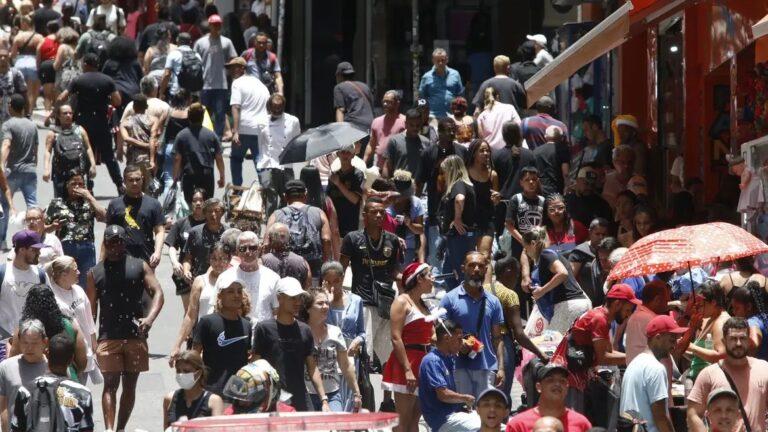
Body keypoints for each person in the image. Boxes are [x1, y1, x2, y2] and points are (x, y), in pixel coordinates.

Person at [85, 225, 164, 432]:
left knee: (130, 386)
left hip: (135, 336)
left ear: (124, 242)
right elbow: (91, 310)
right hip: (108, 337)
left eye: (119, 241)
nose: (115, 246)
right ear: (105, 243)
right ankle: (109, 429)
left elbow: (158, 292)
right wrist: (91, 339)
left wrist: (149, 319)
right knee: (110, 384)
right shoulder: (95, 273)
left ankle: (120, 428)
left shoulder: (139, 266)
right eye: (111, 242)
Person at [252, 277, 330, 412]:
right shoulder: (264, 329)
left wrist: (324, 399)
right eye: (292, 298)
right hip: (272, 402)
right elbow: (255, 366)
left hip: (301, 400)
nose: (297, 302)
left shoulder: (305, 330)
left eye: (299, 298)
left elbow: (312, 368)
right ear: (279, 298)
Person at [340, 197, 402, 366]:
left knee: (388, 354)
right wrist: (337, 296)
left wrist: (407, 280)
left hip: (385, 303)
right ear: (364, 215)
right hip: (363, 302)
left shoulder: (393, 240)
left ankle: (388, 384)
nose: (379, 215)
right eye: (374, 212)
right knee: (363, 351)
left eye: (382, 212)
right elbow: (341, 269)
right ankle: (360, 382)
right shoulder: (352, 238)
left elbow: (394, 270)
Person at [565, 284, 640, 412]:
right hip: (571, 375)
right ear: (617, 304)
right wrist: (634, 358)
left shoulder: (603, 316)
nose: (628, 315)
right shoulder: (600, 319)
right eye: (627, 310)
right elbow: (603, 358)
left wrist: (635, 356)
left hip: (579, 371)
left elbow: (609, 352)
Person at [439, 252, 504, 399]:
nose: (476, 269)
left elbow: (497, 338)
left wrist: (501, 368)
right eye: (471, 265)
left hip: (486, 367)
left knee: (484, 409)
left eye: (480, 266)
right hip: (457, 367)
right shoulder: (449, 299)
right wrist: (457, 344)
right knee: (462, 409)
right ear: (463, 268)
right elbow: (439, 332)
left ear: (486, 269)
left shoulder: (493, 302)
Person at [687, 317, 768, 432]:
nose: (738, 343)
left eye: (743, 338)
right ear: (724, 341)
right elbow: (693, 413)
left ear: (748, 340)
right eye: (733, 339)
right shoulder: (709, 374)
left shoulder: (764, 369)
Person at [58, 53, 123, 194]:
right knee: (108, 156)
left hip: (83, 123)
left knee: (85, 154)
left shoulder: (78, 80)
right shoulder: (107, 80)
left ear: (85, 64)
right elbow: (117, 101)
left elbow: (62, 97)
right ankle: (119, 184)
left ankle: (88, 185)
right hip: (101, 122)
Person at [383, 262, 435, 430]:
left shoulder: (425, 304)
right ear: (419, 279)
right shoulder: (401, 302)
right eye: (429, 275)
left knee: (415, 419)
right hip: (407, 363)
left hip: (423, 364)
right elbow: (396, 338)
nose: (433, 279)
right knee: (403, 420)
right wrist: (407, 369)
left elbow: (432, 337)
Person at [489, 252, 548, 395]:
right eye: (517, 274)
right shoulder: (509, 295)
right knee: (502, 394)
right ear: (508, 271)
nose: (517, 278)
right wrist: (540, 354)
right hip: (502, 344)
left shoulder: (484, 289)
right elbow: (519, 334)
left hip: (483, 344)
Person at [10, 333, 94, 432]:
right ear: (71, 359)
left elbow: (16, 428)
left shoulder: (25, 390)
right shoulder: (83, 394)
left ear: (47, 354)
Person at [620, 315, 687, 432]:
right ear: (658, 338)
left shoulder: (634, 363)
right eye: (671, 340)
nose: (674, 346)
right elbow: (660, 418)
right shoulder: (656, 369)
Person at [416, 118, 466, 271]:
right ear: (440, 132)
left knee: (457, 253)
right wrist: (416, 204)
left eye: (453, 130)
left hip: (458, 210)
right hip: (435, 210)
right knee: (436, 252)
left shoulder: (462, 151)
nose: (452, 133)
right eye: (448, 130)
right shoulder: (429, 153)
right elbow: (420, 181)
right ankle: (437, 280)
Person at [299, 288, 361, 412]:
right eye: (320, 303)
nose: (325, 306)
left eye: (327, 303)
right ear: (308, 308)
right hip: (306, 395)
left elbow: (345, 365)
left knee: (336, 423)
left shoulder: (335, 332)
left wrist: (356, 393)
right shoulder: (300, 332)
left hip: (332, 394)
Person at [9, 284, 88, 380]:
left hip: (31, 383)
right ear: (53, 301)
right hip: (66, 381)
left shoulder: (23, 329)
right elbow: (82, 363)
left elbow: (12, 360)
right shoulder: (71, 326)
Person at [521, 226, 590, 334]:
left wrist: (542, 290)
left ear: (533, 243)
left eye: (525, 247)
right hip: (579, 303)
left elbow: (562, 273)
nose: (526, 251)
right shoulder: (549, 255)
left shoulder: (546, 254)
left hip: (569, 305)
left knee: (551, 342)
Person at [169, 243, 230, 365]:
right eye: (214, 258)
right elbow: (190, 316)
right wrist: (177, 345)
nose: (218, 263)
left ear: (229, 259)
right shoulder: (200, 281)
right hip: (204, 339)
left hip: (228, 338)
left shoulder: (234, 281)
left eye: (222, 258)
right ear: (209, 259)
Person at [192, 270, 252, 395]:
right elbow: (194, 357)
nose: (236, 295)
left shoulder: (247, 325)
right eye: (230, 291)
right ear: (220, 296)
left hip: (239, 394)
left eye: (239, 291)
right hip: (211, 392)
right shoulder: (207, 322)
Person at [418, 319, 480, 432]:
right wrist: (465, 398)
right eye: (459, 339)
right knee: (488, 427)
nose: (462, 343)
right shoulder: (432, 361)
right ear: (447, 338)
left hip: (453, 415)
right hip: (442, 419)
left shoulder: (448, 358)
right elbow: (443, 395)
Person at [45, 171, 105, 287]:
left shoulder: (89, 202)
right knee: (65, 282)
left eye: (80, 184)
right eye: (73, 184)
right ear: (66, 185)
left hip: (86, 247)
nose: (77, 187)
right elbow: (43, 229)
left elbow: (104, 216)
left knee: (87, 283)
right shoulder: (57, 203)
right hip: (66, 247)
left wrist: (90, 197)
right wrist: (52, 227)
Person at [322, 261, 366, 411]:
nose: (333, 286)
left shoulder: (356, 300)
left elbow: (362, 332)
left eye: (336, 281)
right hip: (328, 359)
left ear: (342, 278)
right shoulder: (320, 303)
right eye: (328, 282)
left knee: (349, 400)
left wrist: (357, 341)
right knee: (332, 401)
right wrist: (326, 302)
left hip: (350, 357)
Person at [265, 179, 332, 278]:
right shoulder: (319, 212)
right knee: (312, 288)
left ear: (285, 196)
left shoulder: (275, 215)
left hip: (283, 268)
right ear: (306, 194)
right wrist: (326, 264)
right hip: (313, 267)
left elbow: (266, 244)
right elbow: (326, 239)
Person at [47, 256, 98, 383]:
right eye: (75, 270)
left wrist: (93, 340)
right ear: (64, 274)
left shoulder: (79, 290)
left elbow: (89, 317)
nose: (79, 272)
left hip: (86, 350)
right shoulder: (52, 296)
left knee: (82, 388)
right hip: (69, 354)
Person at [106, 165, 165, 266]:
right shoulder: (115, 204)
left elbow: (160, 231)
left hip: (146, 258)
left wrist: (157, 252)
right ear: (124, 181)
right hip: (120, 259)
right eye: (131, 180)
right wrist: (103, 261)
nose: (134, 183)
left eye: (137, 179)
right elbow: (108, 234)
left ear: (142, 179)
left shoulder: (154, 204)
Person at [506, 363, 592, 432]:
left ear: (567, 387)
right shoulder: (518, 424)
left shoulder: (582, 424)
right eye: (550, 380)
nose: (557, 384)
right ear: (538, 387)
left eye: (562, 381)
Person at [0, 94, 38, 246]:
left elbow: (6, 144)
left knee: (4, 205)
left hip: (13, 171)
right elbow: (36, 149)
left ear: (11, 106)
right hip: (30, 170)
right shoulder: (32, 125)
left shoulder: (8, 125)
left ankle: (2, 240)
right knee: (32, 205)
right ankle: (35, 237)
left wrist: (1, 163)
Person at [219, 231, 280, 324]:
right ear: (237, 251)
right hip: (233, 331)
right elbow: (217, 307)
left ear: (259, 249)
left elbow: (277, 311)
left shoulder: (273, 278)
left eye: (252, 248)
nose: (248, 252)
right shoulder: (225, 277)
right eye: (243, 248)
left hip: (263, 331)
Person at [0, 230, 48, 345]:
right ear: (21, 250)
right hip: (4, 343)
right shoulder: (2, 273)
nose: (39, 253)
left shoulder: (41, 275)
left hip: (32, 343)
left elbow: (47, 308)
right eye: (34, 250)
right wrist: (6, 339)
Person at [0, 319, 48, 432]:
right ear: (19, 341)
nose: (29, 348)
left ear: (44, 342)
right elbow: (3, 409)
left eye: (34, 343)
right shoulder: (6, 367)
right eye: (25, 342)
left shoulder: (55, 369)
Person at [194, 14, 237, 137]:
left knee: (220, 114)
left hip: (221, 84)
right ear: (209, 25)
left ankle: (217, 139)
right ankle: (203, 137)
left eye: (218, 24)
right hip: (205, 84)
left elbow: (233, 59)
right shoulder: (200, 42)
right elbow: (194, 61)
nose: (216, 27)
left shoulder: (227, 42)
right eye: (214, 25)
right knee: (203, 114)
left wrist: (231, 75)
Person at [229, 56, 270, 186]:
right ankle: (266, 188)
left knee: (236, 159)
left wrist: (235, 131)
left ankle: (237, 189)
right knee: (260, 161)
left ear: (243, 68)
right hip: (261, 128)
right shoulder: (259, 84)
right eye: (230, 68)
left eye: (234, 67)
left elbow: (236, 106)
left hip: (244, 128)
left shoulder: (237, 83)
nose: (231, 71)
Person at [173, 101, 225, 202]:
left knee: (190, 203)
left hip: (189, 175)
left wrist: (175, 177)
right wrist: (222, 176)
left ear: (188, 117)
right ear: (202, 117)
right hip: (207, 175)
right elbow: (219, 158)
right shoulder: (211, 135)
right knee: (206, 203)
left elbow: (177, 158)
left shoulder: (181, 135)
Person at [438, 155, 477, 289]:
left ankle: (463, 297)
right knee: (448, 272)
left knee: (461, 272)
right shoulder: (466, 184)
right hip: (458, 236)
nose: (444, 175)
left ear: (451, 170)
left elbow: (460, 199)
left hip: (460, 236)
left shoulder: (458, 184)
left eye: (445, 171)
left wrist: (457, 218)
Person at [255, 93, 300, 209]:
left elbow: (296, 142)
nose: (277, 110)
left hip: (286, 164)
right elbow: (260, 145)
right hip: (267, 165)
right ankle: (270, 218)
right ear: (269, 107)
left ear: (283, 106)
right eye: (274, 107)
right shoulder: (261, 122)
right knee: (270, 199)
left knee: (288, 197)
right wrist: (261, 165)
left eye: (279, 107)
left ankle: (283, 218)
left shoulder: (293, 121)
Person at [43, 104, 97, 198]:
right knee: (61, 201)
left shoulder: (80, 130)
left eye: (70, 113)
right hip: (60, 174)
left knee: (83, 199)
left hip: (79, 173)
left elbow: (88, 148)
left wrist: (93, 165)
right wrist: (46, 169)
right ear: (58, 116)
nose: (68, 115)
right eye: (65, 113)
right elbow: (48, 151)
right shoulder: (53, 133)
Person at [165, 188, 206, 308]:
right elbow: (172, 246)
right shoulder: (181, 223)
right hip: (185, 274)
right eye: (195, 200)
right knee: (190, 310)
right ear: (190, 203)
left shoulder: (211, 224)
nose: (198, 203)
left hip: (206, 273)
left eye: (201, 200)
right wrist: (175, 262)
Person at [163, 349, 224, 429]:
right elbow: (166, 428)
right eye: (178, 371)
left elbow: (218, 429)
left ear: (199, 373)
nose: (181, 374)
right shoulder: (169, 399)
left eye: (186, 371)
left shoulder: (214, 401)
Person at [685, 280, 730, 388]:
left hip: (710, 384)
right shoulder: (709, 319)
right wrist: (683, 348)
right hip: (698, 380)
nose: (698, 309)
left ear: (713, 302)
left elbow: (720, 357)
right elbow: (699, 358)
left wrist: (692, 347)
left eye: (701, 305)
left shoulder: (721, 322)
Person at [466, 139, 500, 259]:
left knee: (485, 256)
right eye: (481, 151)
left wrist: (496, 199)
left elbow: (495, 201)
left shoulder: (493, 175)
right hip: (469, 221)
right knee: (468, 257)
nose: (486, 153)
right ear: (473, 153)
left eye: (487, 151)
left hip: (486, 221)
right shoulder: (465, 173)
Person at [624, 280, 671, 364]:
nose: (668, 303)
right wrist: (688, 316)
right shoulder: (653, 321)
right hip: (649, 370)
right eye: (666, 300)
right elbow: (673, 347)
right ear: (657, 300)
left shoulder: (636, 316)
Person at [181, 197, 225, 285]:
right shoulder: (195, 232)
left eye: (217, 211)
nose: (213, 214)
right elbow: (187, 258)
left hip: (224, 280)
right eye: (209, 211)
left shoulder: (229, 233)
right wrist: (186, 271)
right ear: (204, 213)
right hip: (201, 280)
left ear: (222, 213)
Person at [505, 166, 544, 262]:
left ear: (538, 181)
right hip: (519, 245)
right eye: (527, 180)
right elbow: (509, 225)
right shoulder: (516, 199)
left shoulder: (543, 201)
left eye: (534, 179)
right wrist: (525, 243)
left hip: (538, 245)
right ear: (521, 182)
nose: (531, 182)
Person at [567, 218, 610, 305]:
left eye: (604, 234)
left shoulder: (611, 250)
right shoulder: (580, 252)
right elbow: (570, 279)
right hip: (587, 302)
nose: (601, 237)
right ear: (590, 232)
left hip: (607, 302)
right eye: (597, 234)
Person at [387, 170, 426, 266]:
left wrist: (410, 224)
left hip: (407, 249)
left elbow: (420, 230)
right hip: (387, 246)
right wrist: (391, 223)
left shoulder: (416, 203)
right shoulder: (386, 201)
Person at [328, 144, 365, 239]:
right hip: (335, 224)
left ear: (353, 155)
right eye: (343, 152)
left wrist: (339, 184)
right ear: (338, 154)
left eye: (348, 152)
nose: (345, 155)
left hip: (350, 224)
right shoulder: (334, 176)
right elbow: (329, 200)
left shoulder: (358, 174)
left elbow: (355, 199)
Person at [119, 94, 156, 189]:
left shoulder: (126, 122)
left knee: (132, 188)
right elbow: (153, 139)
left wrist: (119, 151)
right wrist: (152, 160)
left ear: (133, 107)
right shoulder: (153, 120)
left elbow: (126, 138)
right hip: (147, 158)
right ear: (146, 106)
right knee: (147, 190)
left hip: (133, 159)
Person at [383, 108, 430, 179]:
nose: (415, 128)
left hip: (418, 185)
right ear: (406, 124)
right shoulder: (395, 141)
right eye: (411, 125)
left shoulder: (426, 143)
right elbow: (387, 166)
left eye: (417, 125)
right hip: (397, 184)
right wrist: (386, 183)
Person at [419, 48, 464, 119]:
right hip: (432, 116)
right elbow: (421, 97)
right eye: (438, 61)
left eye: (442, 60)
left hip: (452, 116)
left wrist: (461, 112)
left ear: (447, 60)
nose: (440, 63)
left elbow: (460, 95)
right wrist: (422, 115)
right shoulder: (426, 77)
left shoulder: (455, 74)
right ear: (433, 61)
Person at [261, 223, 311, 288]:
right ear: (289, 239)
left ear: (270, 239)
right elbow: (308, 287)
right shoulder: (303, 262)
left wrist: (264, 253)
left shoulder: (263, 261)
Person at [10, 15, 42, 113]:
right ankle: (29, 112)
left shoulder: (18, 37)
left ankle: (20, 111)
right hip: (33, 63)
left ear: (24, 24)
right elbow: (40, 52)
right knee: (31, 91)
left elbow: (13, 54)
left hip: (19, 64)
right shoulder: (38, 37)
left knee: (20, 90)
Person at [366, 90, 406, 168]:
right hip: (378, 167)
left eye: (389, 102)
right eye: (384, 101)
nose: (385, 104)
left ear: (397, 103)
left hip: (398, 168)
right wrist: (363, 163)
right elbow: (371, 145)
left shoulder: (405, 121)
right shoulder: (376, 121)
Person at [333, 61, 373, 136]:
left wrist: (340, 132)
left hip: (354, 125)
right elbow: (371, 106)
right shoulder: (365, 86)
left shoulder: (339, 87)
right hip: (370, 124)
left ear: (339, 75)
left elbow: (340, 110)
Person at [730, 282, 768, 360]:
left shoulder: (751, 323)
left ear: (749, 306)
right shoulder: (763, 317)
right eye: (733, 308)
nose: (734, 312)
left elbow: (753, 343)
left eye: (737, 308)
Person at [159, 33, 200, 100]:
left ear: (177, 41)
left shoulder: (173, 54)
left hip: (177, 92)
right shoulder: (197, 55)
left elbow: (167, 74)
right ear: (190, 42)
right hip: (193, 94)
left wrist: (161, 92)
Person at [533, 125, 570, 196]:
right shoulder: (563, 150)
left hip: (541, 190)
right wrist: (567, 186)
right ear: (561, 137)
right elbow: (565, 172)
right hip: (558, 190)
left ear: (545, 136)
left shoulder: (536, 151)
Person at [36, 20, 60, 112]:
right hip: (58, 64)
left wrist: (39, 68)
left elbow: (38, 56)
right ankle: (57, 114)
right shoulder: (61, 40)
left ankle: (47, 113)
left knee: (47, 94)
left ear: (47, 29)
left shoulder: (43, 40)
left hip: (46, 65)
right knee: (57, 92)